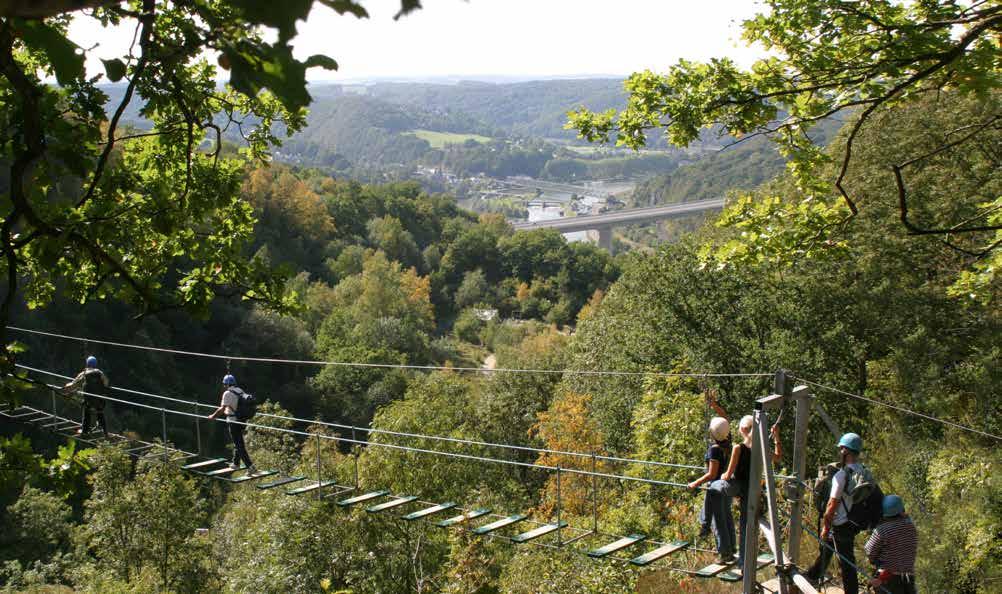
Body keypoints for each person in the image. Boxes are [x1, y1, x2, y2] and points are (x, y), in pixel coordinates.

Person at [712, 414, 782, 571]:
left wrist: (721, 478)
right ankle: (744, 564)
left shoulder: (738, 448)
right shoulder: (762, 448)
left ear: (743, 429)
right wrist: (776, 436)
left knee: (713, 487)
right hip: (753, 491)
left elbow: (727, 475)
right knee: (746, 528)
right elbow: (778, 458)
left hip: (738, 488)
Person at [804, 432, 868, 594]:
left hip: (840, 523)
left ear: (845, 451)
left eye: (841, 449)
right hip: (853, 521)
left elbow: (832, 504)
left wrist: (825, 527)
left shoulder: (841, 475)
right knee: (828, 549)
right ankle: (813, 575)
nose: (839, 452)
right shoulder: (862, 471)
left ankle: (851, 591)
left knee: (846, 562)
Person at [687, 408, 735, 563]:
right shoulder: (729, 443)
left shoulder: (714, 450)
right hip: (727, 485)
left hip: (716, 487)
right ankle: (731, 548)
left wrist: (695, 483)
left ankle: (724, 552)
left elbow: (712, 474)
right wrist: (715, 406)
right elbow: (725, 419)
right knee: (726, 516)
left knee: (719, 519)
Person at [864, 495, 918, 594]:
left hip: (887, 578)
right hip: (909, 577)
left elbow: (869, 551)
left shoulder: (882, 530)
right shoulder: (911, 526)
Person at [207, 374, 255, 472]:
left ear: (226, 384)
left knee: (238, 444)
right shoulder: (240, 390)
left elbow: (222, 409)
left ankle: (250, 466)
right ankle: (236, 463)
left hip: (233, 421)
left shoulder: (227, 393)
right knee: (238, 442)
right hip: (242, 420)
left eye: (224, 384)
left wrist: (213, 416)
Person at [61, 355, 110, 436]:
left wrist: (66, 386)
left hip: (89, 400)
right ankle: (105, 431)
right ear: (96, 364)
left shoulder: (84, 373)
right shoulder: (100, 372)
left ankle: (85, 430)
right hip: (99, 400)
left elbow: (74, 384)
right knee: (99, 411)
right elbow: (106, 383)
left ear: (87, 364)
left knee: (86, 412)